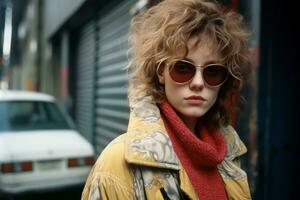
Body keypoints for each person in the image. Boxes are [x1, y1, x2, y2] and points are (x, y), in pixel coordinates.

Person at [81, 0, 252, 199]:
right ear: (161, 71)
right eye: (183, 68)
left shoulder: (230, 156)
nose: (198, 83)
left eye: (212, 72)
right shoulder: (116, 164)